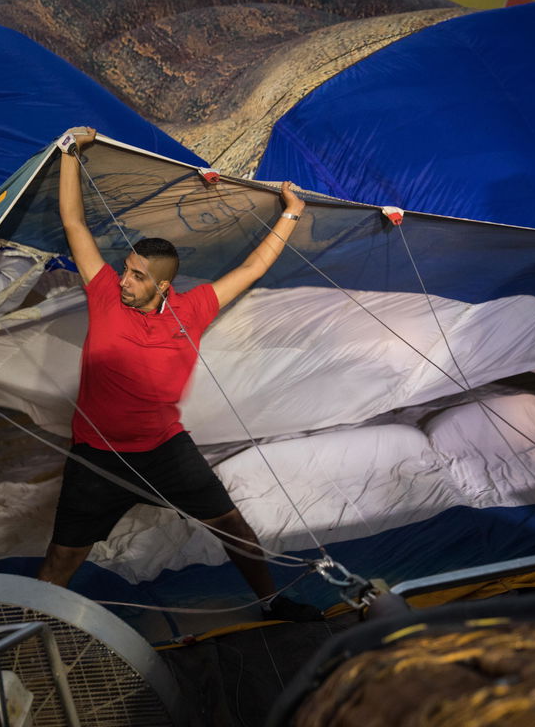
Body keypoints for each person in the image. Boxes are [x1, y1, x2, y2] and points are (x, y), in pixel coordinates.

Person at [37, 126, 323, 622]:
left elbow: (253, 267)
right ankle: (26, 630)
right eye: (126, 269)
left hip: (165, 449)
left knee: (232, 525)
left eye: (137, 276)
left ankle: (271, 602)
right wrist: (69, 153)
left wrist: (292, 212)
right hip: (98, 455)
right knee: (63, 557)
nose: (124, 280)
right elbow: (74, 224)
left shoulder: (193, 308)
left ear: (164, 285)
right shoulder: (105, 294)